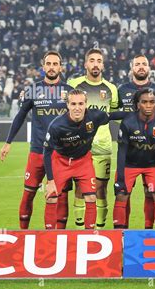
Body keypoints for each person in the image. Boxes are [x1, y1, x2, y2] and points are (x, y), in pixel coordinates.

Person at [0, 51, 73, 229]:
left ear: (61, 67)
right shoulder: (33, 90)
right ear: (43, 67)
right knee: (28, 193)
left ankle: (58, 237)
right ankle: (23, 235)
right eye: (48, 64)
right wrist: (8, 142)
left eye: (55, 64)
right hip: (38, 151)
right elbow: (20, 116)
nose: (52, 67)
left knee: (60, 195)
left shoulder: (69, 92)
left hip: (61, 154)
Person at [43, 89, 109, 230]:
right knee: (51, 196)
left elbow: (114, 115)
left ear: (86, 104)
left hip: (83, 161)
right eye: (73, 104)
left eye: (80, 103)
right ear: (67, 105)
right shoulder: (56, 125)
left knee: (91, 198)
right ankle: (49, 236)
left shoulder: (95, 116)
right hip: (61, 161)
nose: (77, 108)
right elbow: (47, 152)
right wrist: (50, 181)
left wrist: (136, 114)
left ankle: (89, 236)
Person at [68, 48, 119, 229]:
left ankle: (100, 230)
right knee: (80, 189)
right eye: (92, 60)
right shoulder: (74, 84)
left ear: (103, 65)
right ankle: (80, 231)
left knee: (100, 190)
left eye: (99, 60)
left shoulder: (111, 88)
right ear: (85, 64)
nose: (95, 64)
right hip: (79, 146)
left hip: (103, 146)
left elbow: (113, 114)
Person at [112, 88, 155, 229]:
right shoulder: (127, 122)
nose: (148, 105)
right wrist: (120, 178)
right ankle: (120, 233)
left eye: (152, 102)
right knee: (121, 194)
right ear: (138, 104)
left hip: (153, 164)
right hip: (129, 164)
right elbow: (121, 151)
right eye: (144, 102)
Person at [117, 54, 155, 228]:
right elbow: (117, 113)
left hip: (153, 153)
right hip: (130, 152)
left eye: (144, 64)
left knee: (152, 192)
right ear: (132, 68)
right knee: (124, 193)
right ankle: (123, 231)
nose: (141, 67)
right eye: (137, 64)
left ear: (149, 68)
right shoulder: (122, 90)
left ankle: (148, 229)